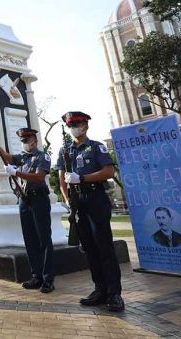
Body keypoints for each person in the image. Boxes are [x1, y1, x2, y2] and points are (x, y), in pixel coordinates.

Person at [56, 111, 124, 312]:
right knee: (89, 248)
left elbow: (109, 172)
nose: (74, 127)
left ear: (86, 125)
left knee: (104, 246)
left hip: (95, 197)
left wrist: (83, 179)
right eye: (71, 124)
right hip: (77, 201)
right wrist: (68, 200)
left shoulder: (96, 147)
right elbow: (62, 178)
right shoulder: (65, 150)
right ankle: (99, 290)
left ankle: (114, 293)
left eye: (77, 123)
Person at [0, 128, 55, 293]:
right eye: (22, 141)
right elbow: (5, 157)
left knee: (43, 238)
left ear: (34, 140)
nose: (25, 144)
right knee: (30, 238)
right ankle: (36, 276)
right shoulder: (22, 158)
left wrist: (16, 172)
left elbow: (39, 177)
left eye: (27, 140)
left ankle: (48, 279)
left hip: (38, 198)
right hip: (24, 200)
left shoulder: (42, 156)